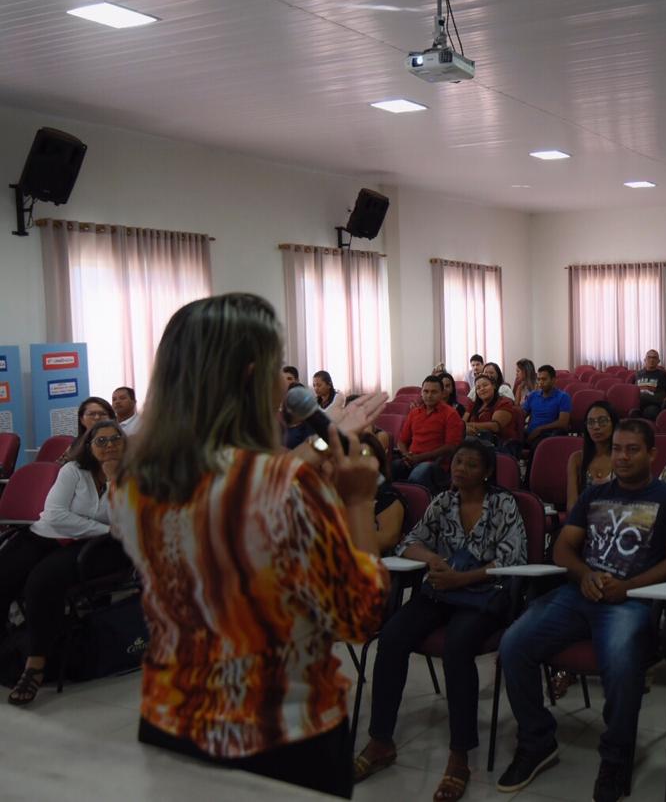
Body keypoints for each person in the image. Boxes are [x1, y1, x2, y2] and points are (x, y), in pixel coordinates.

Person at [110, 293, 389, 798]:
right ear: (252, 375)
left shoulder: (133, 481)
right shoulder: (282, 486)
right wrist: (358, 500)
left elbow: (236, 485)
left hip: (171, 721)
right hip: (281, 736)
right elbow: (359, 616)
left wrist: (328, 440)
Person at [496, 421, 666, 801]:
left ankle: (616, 757)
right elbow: (563, 548)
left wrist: (629, 587)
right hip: (579, 594)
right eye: (617, 448)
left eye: (632, 449)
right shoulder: (594, 495)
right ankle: (537, 739)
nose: (621, 456)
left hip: (631, 601)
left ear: (652, 454)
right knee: (513, 645)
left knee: (622, 666)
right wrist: (585, 573)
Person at [354, 439, 527, 799]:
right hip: (441, 590)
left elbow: (514, 559)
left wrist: (462, 578)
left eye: (470, 465)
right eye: (457, 462)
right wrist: (431, 559)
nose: (460, 469)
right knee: (393, 637)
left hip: (483, 595)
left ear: (488, 472)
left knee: (457, 647)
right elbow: (409, 543)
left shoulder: (503, 504)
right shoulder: (444, 501)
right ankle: (380, 740)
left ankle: (459, 754)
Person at [1, 419, 132, 705]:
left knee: (41, 582)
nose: (109, 446)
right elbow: (56, 515)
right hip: (49, 534)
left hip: (102, 549)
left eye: (115, 440)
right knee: (5, 572)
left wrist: (113, 480)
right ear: (89, 445)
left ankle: (34, 667)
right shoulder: (73, 470)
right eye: (101, 441)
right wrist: (106, 528)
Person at [394, 375, 465, 489]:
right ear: (421, 393)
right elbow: (402, 441)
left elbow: (451, 447)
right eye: (425, 391)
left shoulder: (451, 414)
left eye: (434, 392)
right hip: (411, 459)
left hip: (436, 464)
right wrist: (406, 455)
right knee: (390, 469)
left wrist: (420, 458)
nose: (429, 395)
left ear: (442, 394)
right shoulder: (414, 413)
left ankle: (418, 504)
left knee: (419, 474)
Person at [358, 432, 408, 554]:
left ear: (378, 461)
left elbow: (387, 539)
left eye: (364, 455)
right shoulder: (340, 492)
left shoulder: (387, 495)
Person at [566, 401, 618, 510]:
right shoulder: (577, 459)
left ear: (614, 424)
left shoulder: (622, 458)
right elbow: (572, 506)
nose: (596, 427)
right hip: (584, 521)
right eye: (590, 422)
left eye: (602, 421)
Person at [521, 365, 571, 447]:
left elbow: (563, 423)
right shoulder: (533, 395)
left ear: (553, 380)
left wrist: (540, 429)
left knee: (538, 445)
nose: (540, 382)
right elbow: (522, 415)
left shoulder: (563, 397)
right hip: (530, 432)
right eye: (539, 379)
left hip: (548, 435)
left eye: (544, 379)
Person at [464, 374, 519, 446]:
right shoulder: (474, 405)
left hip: (501, 444)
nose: (482, 389)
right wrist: (464, 427)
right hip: (477, 441)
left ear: (494, 386)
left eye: (485, 385)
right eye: (478, 388)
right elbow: (462, 422)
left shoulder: (504, 402)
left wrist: (467, 426)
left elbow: (495, 426)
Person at [59, 396, 115, 462]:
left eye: (102, 414)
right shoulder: (76, 444)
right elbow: (60, 465)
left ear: (111, 418)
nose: (97, 417)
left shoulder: (119, 441)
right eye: (91, 414)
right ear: (82, 420)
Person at [632, 349, 666, 420]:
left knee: (650, 412)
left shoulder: (664, 375)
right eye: (649, 357)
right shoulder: (638, 374)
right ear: (645, 360)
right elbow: (632, 390)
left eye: (654, 358)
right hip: (638, 404)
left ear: (658, 361)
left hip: (653, 405)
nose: (651, 360)